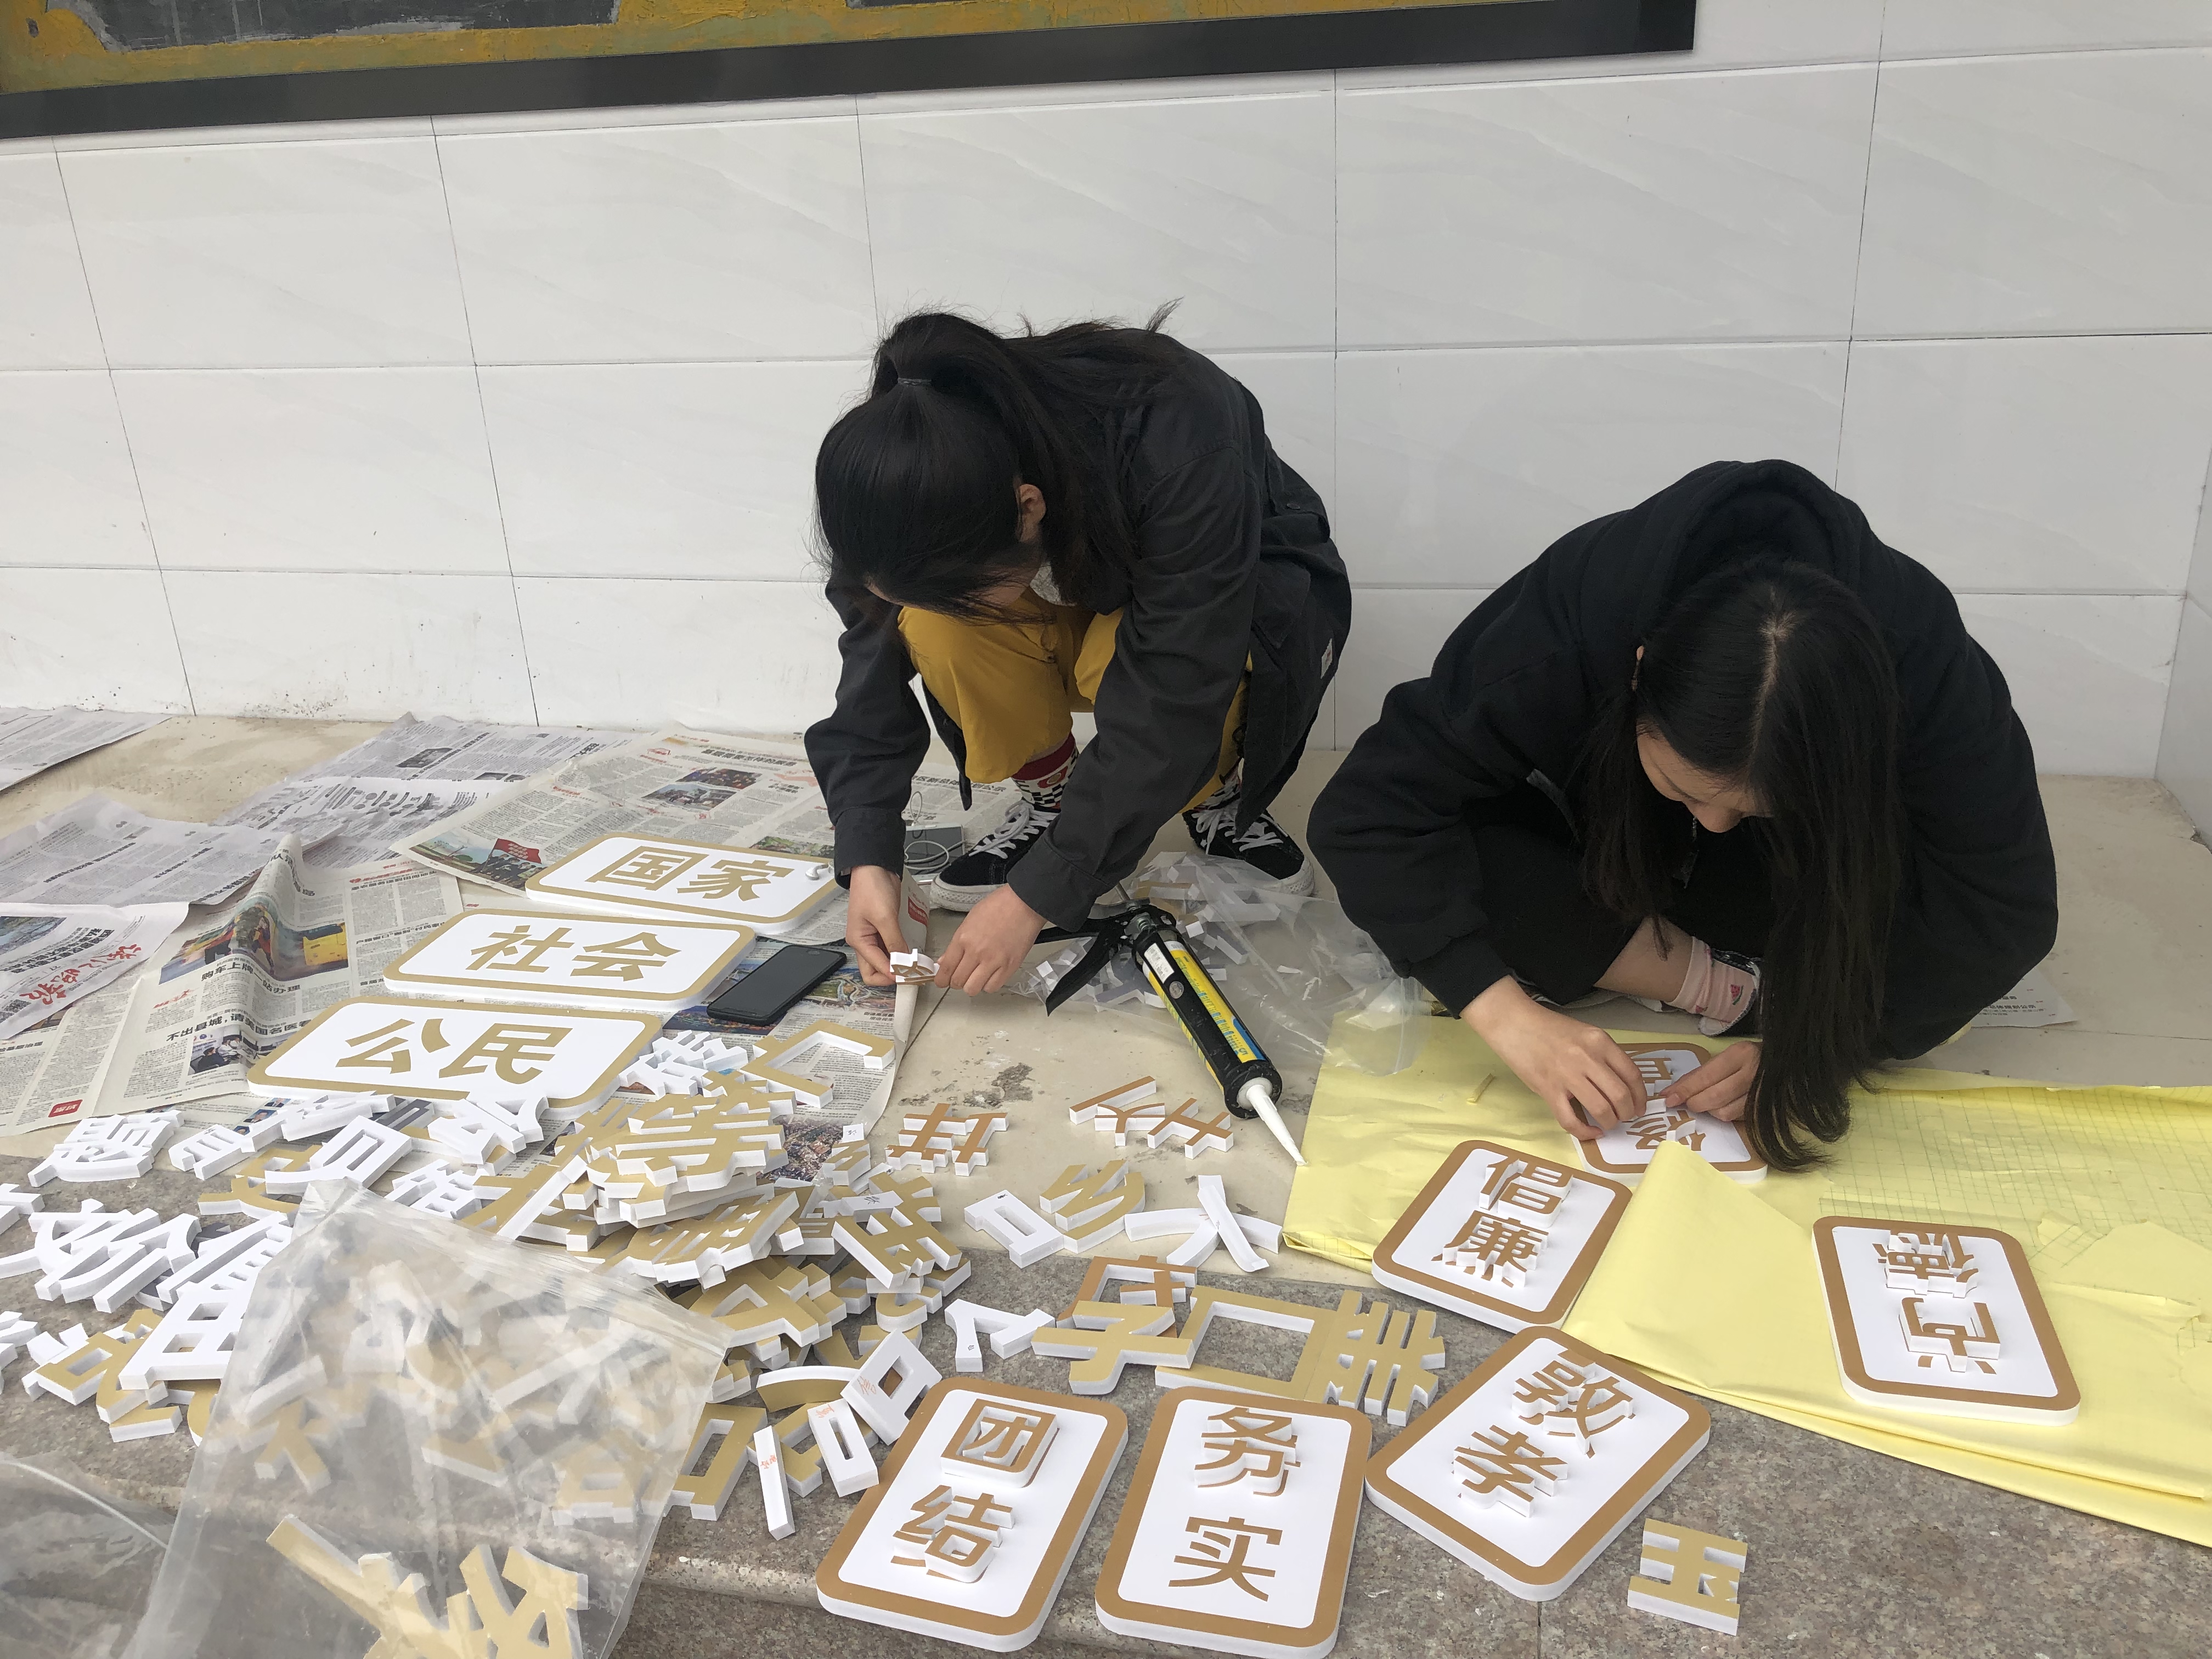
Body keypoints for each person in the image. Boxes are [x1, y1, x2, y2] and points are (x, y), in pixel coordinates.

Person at [1310, 460, 2058, 1170]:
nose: (1717, 824)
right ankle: (1714, 979)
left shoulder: (1924, 661)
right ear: (1637, 672)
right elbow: (1368, 810)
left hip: (1789, 878)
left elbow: (2006, 906)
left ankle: (1750, 954)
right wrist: (1508, 1019)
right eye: (1688, 787)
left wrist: (1822, 1048)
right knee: (1469, 859)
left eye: (1752, 806)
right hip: (1610, 840)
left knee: (1915, 921)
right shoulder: (1567, 627)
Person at [806, 309, 1350, 996]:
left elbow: (1177, 678)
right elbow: (870, 668)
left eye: (969, 591)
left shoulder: (1178, 427)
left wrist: (1039, 894)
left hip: (1227, 604)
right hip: (1091, 587)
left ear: (1028, 507)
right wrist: (868, 857)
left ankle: (1213, 794)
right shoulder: (904, 468)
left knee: (1127, 663)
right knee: (934, 626)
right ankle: (1054, 798)